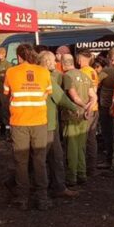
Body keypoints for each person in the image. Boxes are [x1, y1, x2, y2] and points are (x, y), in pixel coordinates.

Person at [4, 44, 53, 211]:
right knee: (40, 160)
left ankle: (23, 198)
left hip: (19, 122)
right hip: (39, 121)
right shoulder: (44, 72)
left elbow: (7, 94)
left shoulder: (11, 72)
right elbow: (47, 93)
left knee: (21, 161)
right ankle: (42, 198)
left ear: (19, 57)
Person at [39, 51, 80, 198]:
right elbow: (61, 97)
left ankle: (55, 186)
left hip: (35, 122)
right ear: (48, 62)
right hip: (48, 123)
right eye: (53, 61)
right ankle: (56, 188)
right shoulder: (46, 77)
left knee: (43, 157)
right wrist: (75, 108)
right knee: (52, 157)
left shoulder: (34, 74)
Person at [61, 53, 95, 186]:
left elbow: (74, 97)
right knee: (81, 146)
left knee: (72, 148)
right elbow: (94, 97)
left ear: (63, 64)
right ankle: (82, 173)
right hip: (84, 117)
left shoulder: (67, 76)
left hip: (72, 116)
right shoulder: (85, 76)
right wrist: (88, 109)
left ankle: (72, 177)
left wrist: (83, 106)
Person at [77, 49, 100, 178]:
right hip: (95, 108)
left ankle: (85, 168)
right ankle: (92, 167)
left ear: (81, 59)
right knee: (92, 139)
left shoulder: (82, 72)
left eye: (78, 58)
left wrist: (87, 109)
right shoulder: (93, 71)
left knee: (84, 139)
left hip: (88, 109)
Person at [97, 47, 114, 168]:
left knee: (107, 134)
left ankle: (109, 160)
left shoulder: (106, 71)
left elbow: (94, 83)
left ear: (109, 58)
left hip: (105, 106)